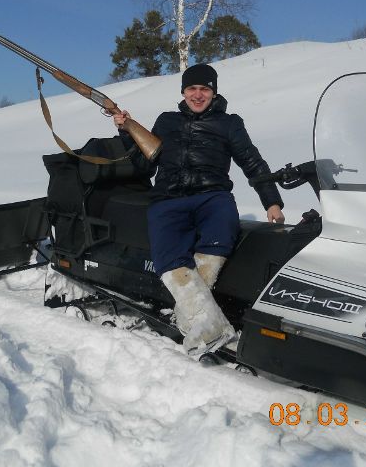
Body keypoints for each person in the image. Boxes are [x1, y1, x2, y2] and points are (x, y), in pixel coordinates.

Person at [113, 63, 284, 357]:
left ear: (214, 92)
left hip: (211, 195)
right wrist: (127, 131)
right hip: (168, 198)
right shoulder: (166, 121)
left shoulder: (230, 124)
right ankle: (212, 324)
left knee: (222, 229)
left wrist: (272, 201)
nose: (198, 94)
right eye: (192, 88)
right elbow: (144, 166)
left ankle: (194, 317)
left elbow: (252, 162)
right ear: (183, 92)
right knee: (167, 254)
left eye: (204, 89)